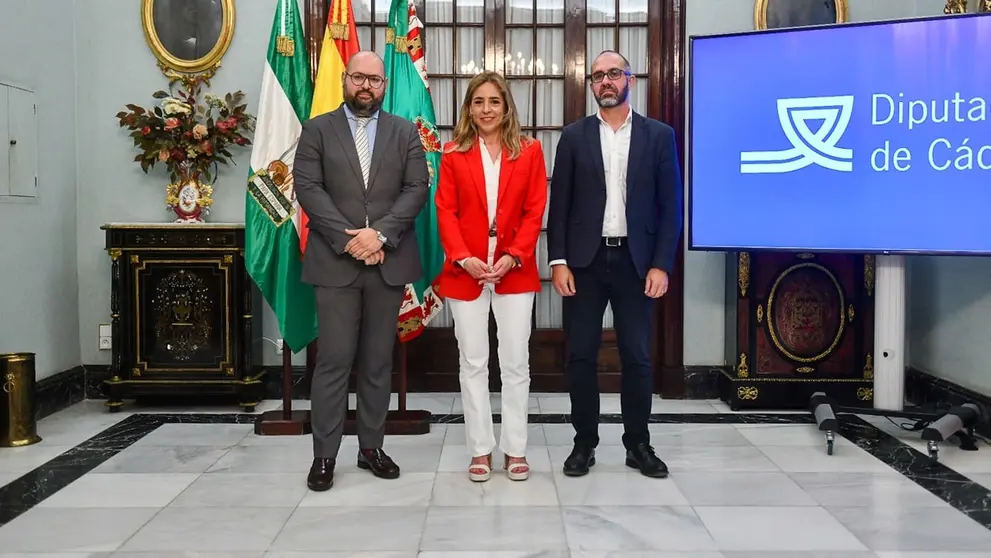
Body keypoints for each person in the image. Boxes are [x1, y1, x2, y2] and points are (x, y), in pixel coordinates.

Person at [293, 51, 430, 491]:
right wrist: (351, 240)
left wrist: (380, 236)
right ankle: (324, 456)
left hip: (387, 262)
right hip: (335, 263)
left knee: (376, 363)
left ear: (385, 85)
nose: (365, 86)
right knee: (333, 362)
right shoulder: (317, 129)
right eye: (358, 77)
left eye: (374, 79)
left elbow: (417, 188)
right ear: (345, 79)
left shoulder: (405, 131)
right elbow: (307, 188)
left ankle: (371, 447)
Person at [546, 50, 683, 479]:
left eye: (614, 74)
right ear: (591, 85)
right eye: (598, 76)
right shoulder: (574, 136)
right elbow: (560, 206)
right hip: (584, 263)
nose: (606, 81)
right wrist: (559, 260)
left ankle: (637, 443)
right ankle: (583, 443)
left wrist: (661, 264)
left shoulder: (659, 136)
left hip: (635, 262)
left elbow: (670, 207)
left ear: (631, 80)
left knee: (638, 357)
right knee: (581, 356)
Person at [434, 71, 548, 482]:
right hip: (466, 270)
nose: (486, 109)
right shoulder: (452, 153)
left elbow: (536, 209)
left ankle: (515, 449)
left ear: (506, 107)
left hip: (513, 270)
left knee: (516, 362)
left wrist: (514, 256)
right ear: (469, 108)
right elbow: (444, 210)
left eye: (494, 102)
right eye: (478, 102)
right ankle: (480, 450)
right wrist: (463, 258)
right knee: (473, 362)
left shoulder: (530, 151)